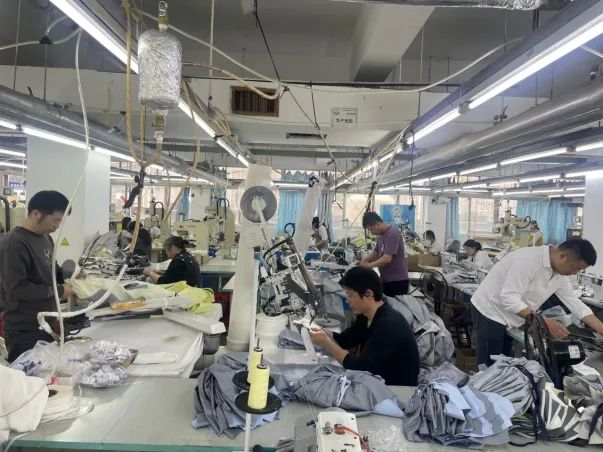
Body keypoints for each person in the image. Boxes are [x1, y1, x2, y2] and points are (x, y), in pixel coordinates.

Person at [471, 239, 603, 367]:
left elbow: (575, 303)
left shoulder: (560, 274)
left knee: (504, 364)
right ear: (563, 256)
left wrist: (600, 328)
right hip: (490, 311)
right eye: (575, 268)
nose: (574, 273)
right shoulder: (528, 261)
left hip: (511, 317)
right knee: (490, 367)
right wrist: (544, 322)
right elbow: (510, 299)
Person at [0, 191, 78, 362]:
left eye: (60, 221)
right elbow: (17, 289)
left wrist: (74, 274)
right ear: (36, 213)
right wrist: (60, 291)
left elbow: (52, 269)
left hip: (46, 324)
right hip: (24, 331)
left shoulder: (45, 238)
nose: (57, 226)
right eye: (55, 220)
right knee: (29, 376)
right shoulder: (14, 243)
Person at [309, 267, 420, 386]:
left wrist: (327, 343)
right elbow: (347, 340)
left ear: (368, 294)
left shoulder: (388, 325)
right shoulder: (366, 315)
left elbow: (361, 367)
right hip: (380, 379)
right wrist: (323, 332)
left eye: (350, 295)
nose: (347, 300)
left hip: (397, 389)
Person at [359, 212, 409, 296]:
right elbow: (375, 253)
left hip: (397, 281)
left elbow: (387, 259)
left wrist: (369, 266)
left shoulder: (392, 233)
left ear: (377, 224)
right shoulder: (381, 235)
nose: (371, 233)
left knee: (394, 304)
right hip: (386, 279)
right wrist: (363, 261)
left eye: (371, 229)